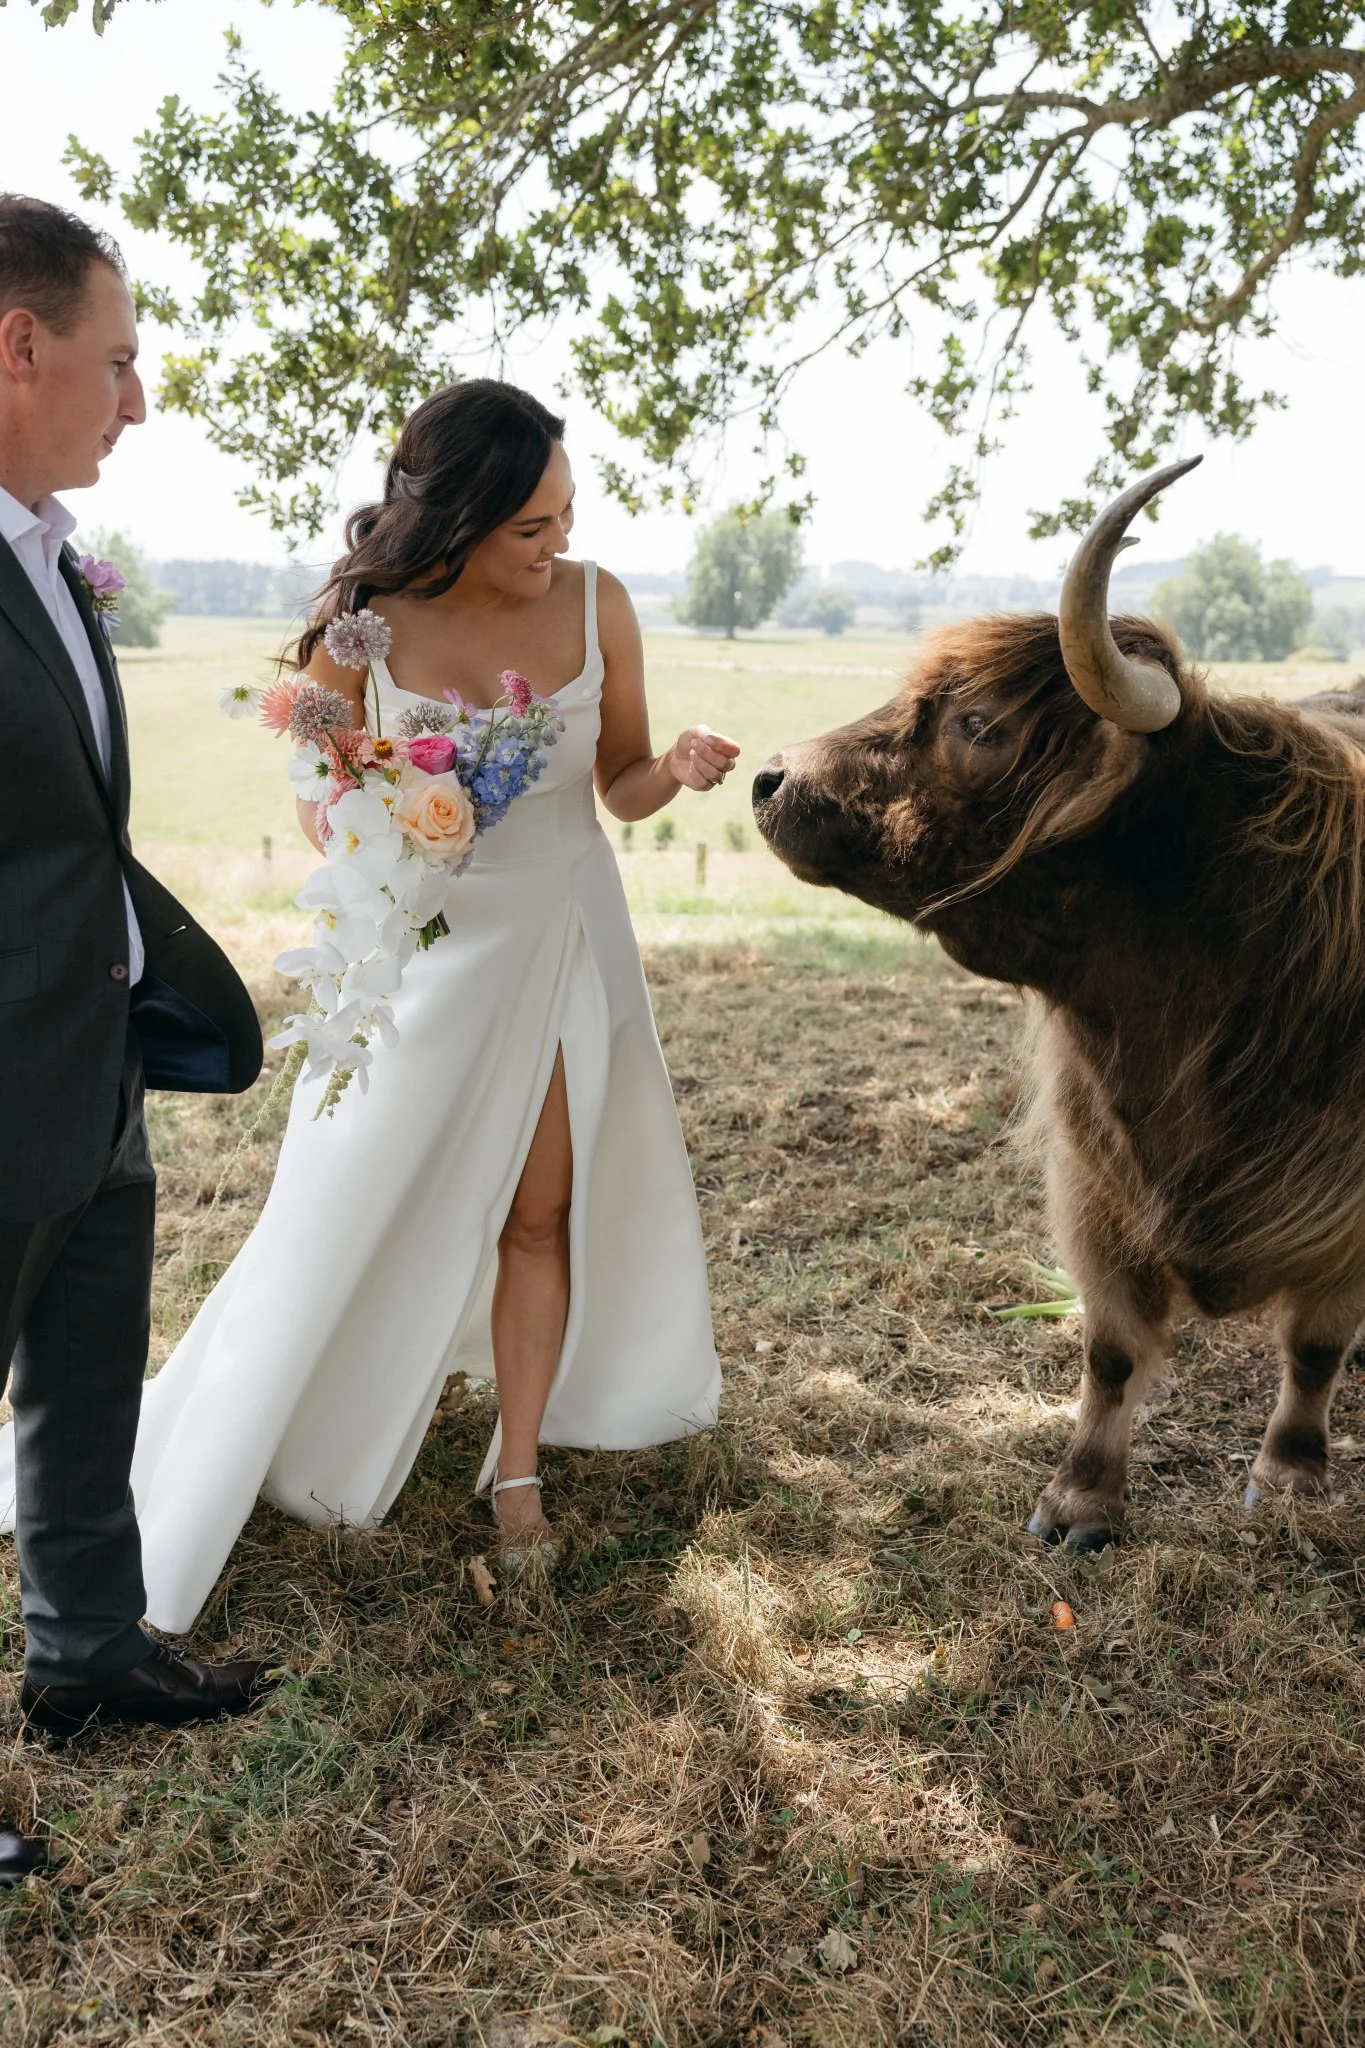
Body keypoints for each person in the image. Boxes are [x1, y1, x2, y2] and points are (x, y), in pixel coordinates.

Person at [4, 376, 736, 1635]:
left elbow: (615, 780)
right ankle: (274, 1409)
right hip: (429, 953)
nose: (558, 539)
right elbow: (318, 796)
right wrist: (391, 806)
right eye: (530, 525)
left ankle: (518, 1471)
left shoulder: (599, 600)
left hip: (566, 938)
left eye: (567, 513)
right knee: (339, 1205)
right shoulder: (366, 624)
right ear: (455, 518)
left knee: (540, 1213)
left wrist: (670, 769)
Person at [0, 195, 279, 1880]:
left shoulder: (39, 544)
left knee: (87, 1375)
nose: (141, 399)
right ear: (15, 346)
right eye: (117, 358)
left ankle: (85, 1653)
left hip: (87, 1052)